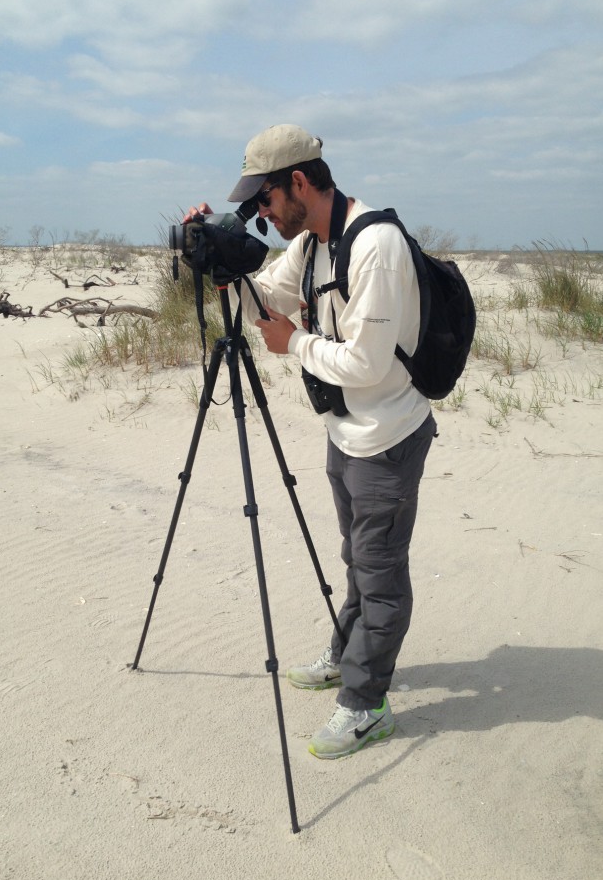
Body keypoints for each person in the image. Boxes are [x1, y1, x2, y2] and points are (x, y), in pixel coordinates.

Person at [185, 124, 436, 760]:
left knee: (379, 574)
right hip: (346, 430)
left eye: (265, 200)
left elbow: (368, 365)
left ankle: (366, 704)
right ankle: (348, 655)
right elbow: (262, 300)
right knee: (357, 555)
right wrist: (221, 257)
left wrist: (293, 343)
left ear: (300, 182)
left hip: (387, 434)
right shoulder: (311, 244)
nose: (263, 214)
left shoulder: (373, 245)